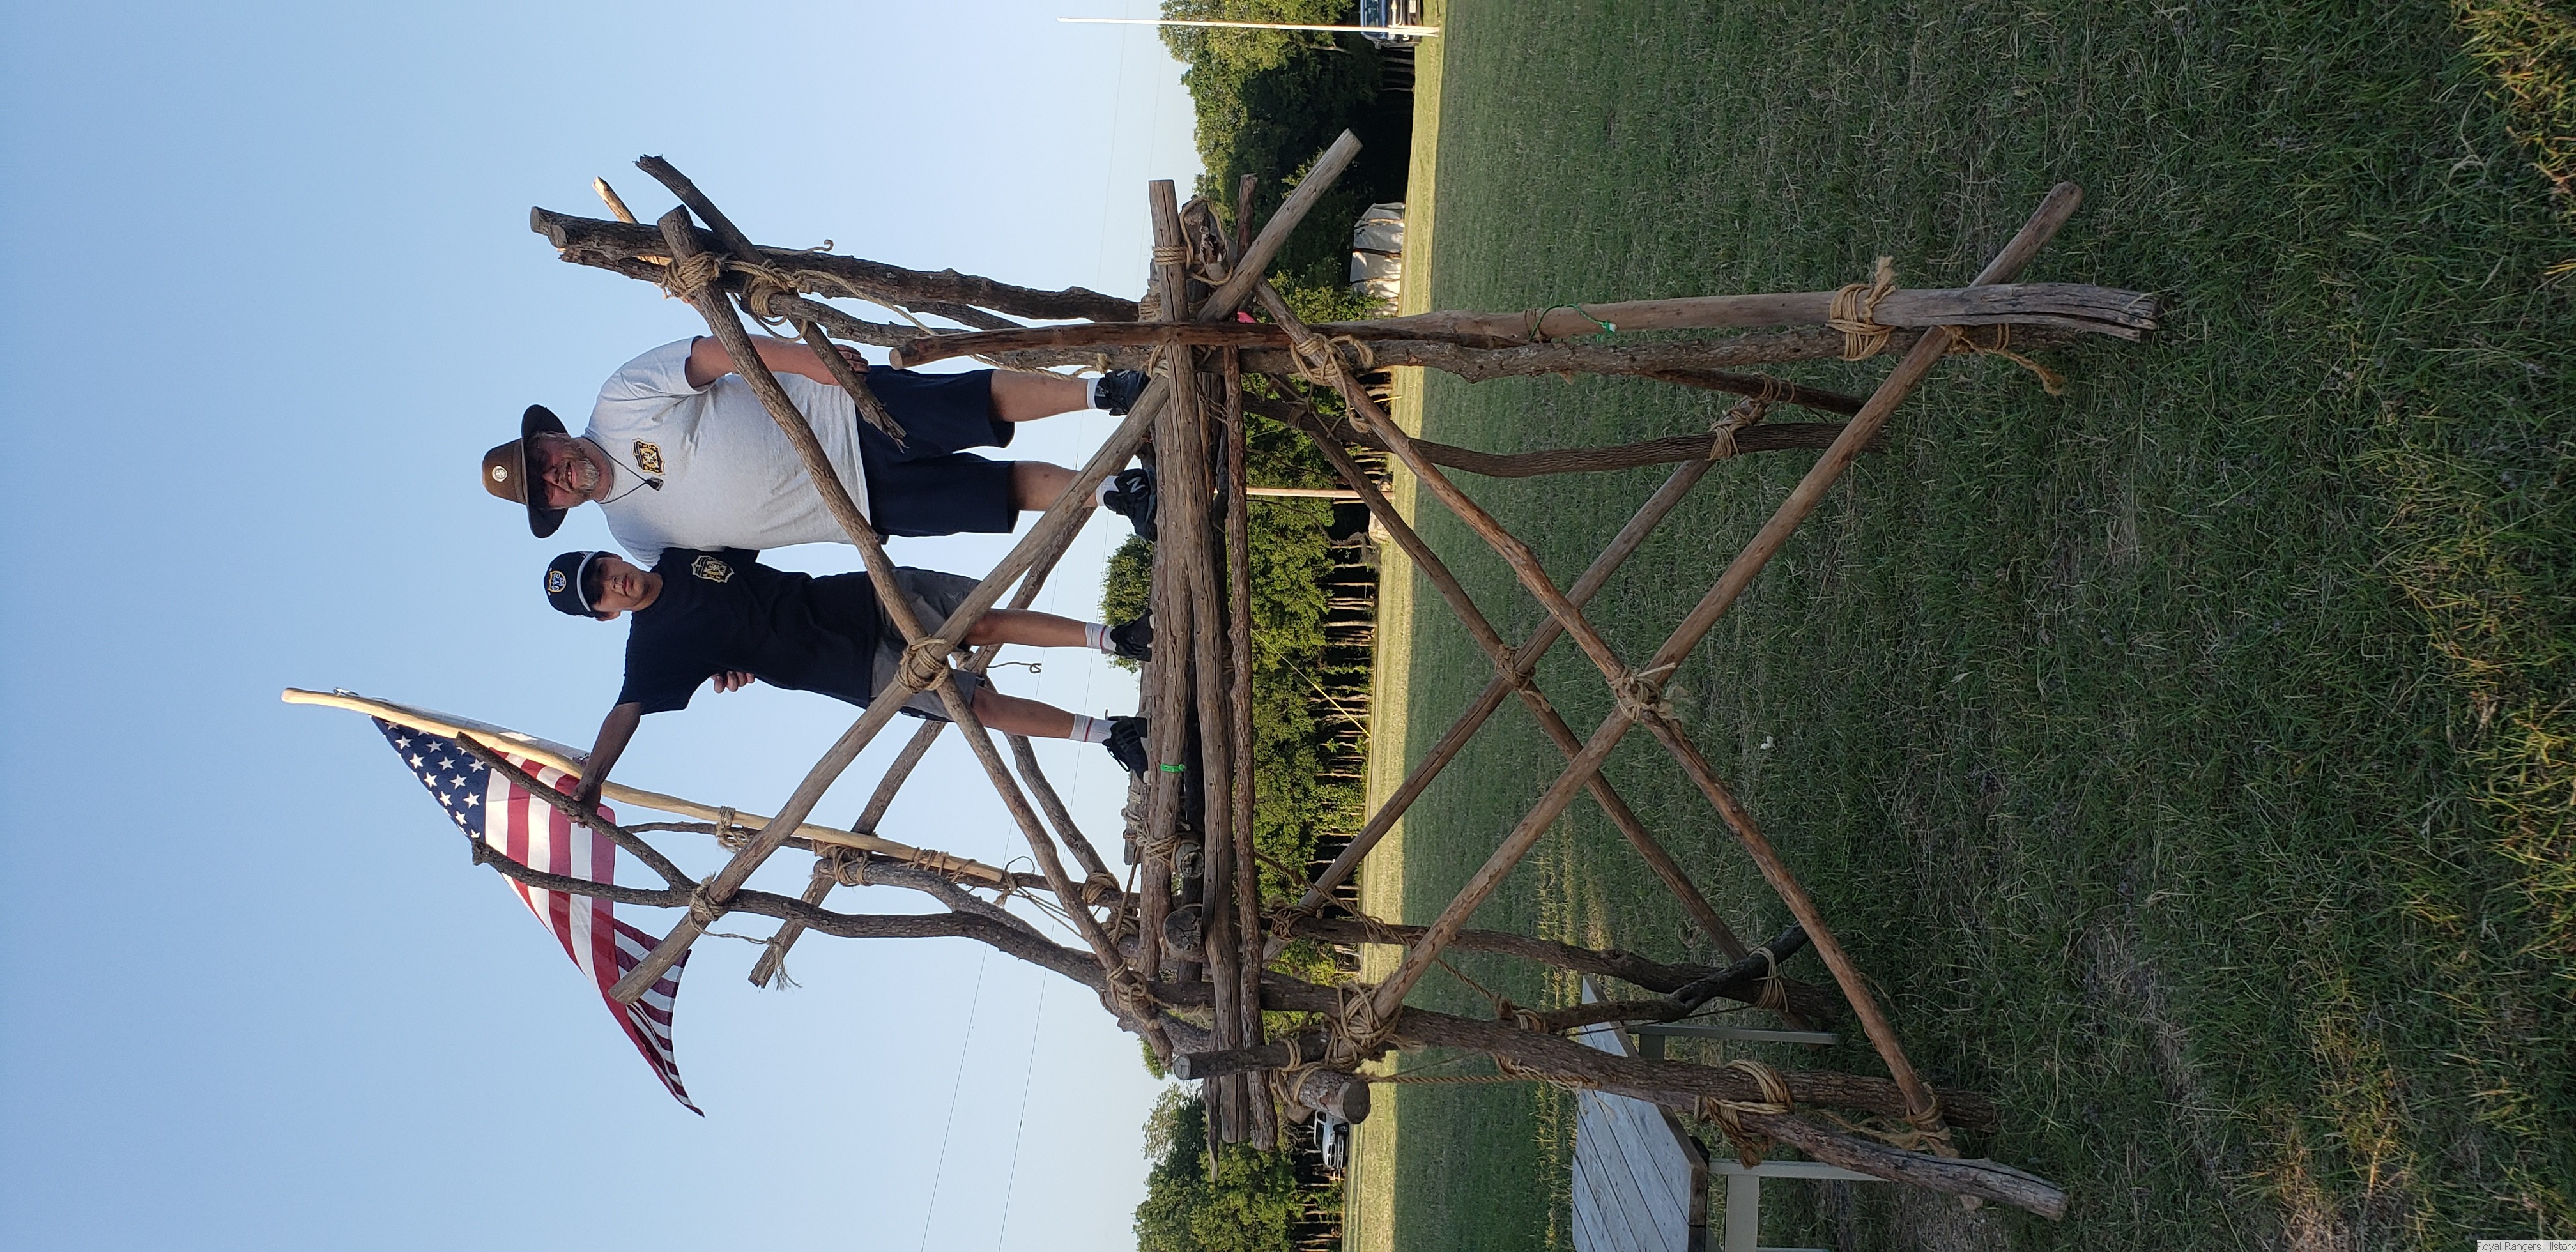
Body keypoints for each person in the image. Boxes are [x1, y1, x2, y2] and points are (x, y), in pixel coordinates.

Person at [543, 547, 1154, 813]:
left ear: (611, 555)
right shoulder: (652, 651)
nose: (610, 583)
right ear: (604, 615)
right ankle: (1112, 734)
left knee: (981, 620)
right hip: (851, 670)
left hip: (858, 598)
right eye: (599, 594)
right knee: (976, 709)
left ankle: (1116, 638)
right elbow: (625, 711)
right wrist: (591, 781)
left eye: (601, 569)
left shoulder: (680, 554)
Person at [482, 337, 1159, 563]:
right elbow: (718, 573)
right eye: (545, 488)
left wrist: (812, 362)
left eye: (544, 459)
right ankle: (1114, 493)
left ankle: (1104, 391)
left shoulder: (618, 400)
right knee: (993, 493)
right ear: (557, 507)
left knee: (974, 402)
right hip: (851, 506)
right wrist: (726, 651)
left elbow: (716, 354)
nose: (556, 474)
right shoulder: (633, 537)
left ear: (552, 434)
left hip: (839, 413)